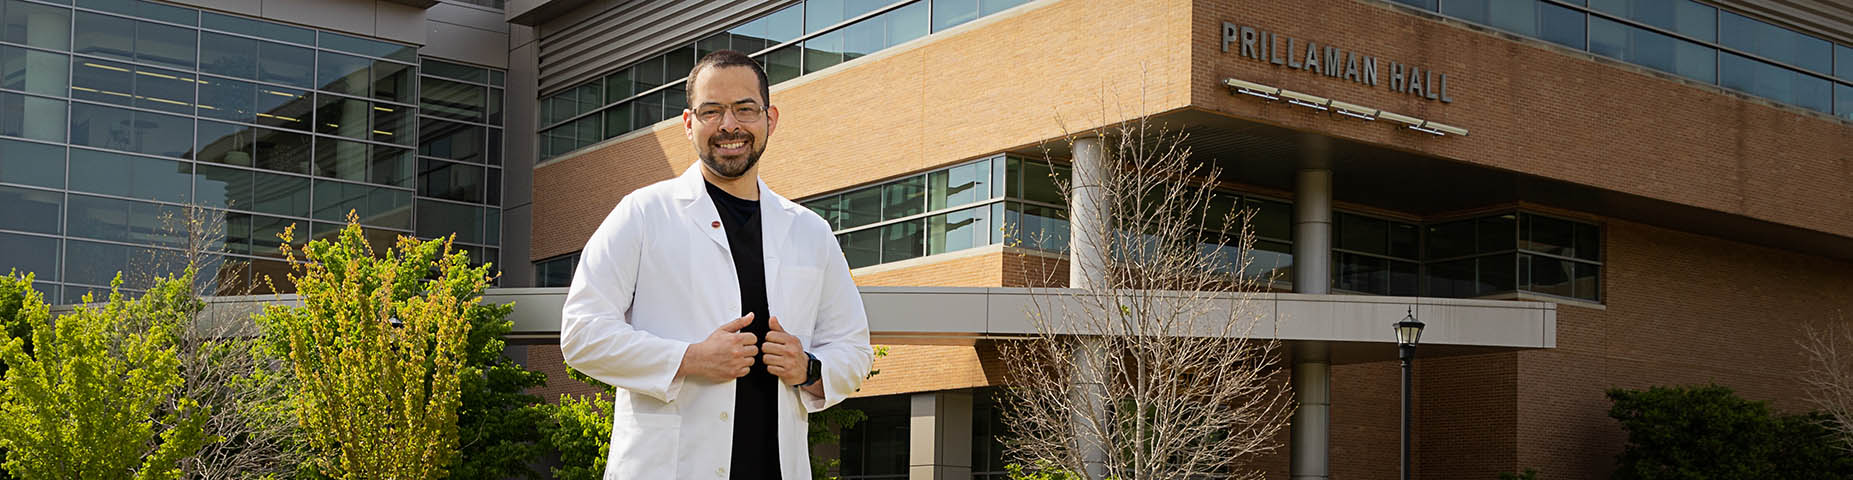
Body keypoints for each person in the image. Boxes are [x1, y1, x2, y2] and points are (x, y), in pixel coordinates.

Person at [560, 49, 873, 480]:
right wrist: (689, 359)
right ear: (689, 124)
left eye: (745, 109)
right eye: (711, 111)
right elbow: (582, 334)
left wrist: (809, 368)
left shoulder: (810, 232)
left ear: (770, 119)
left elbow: (854, 350)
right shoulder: (644, 214)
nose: (729, 125)